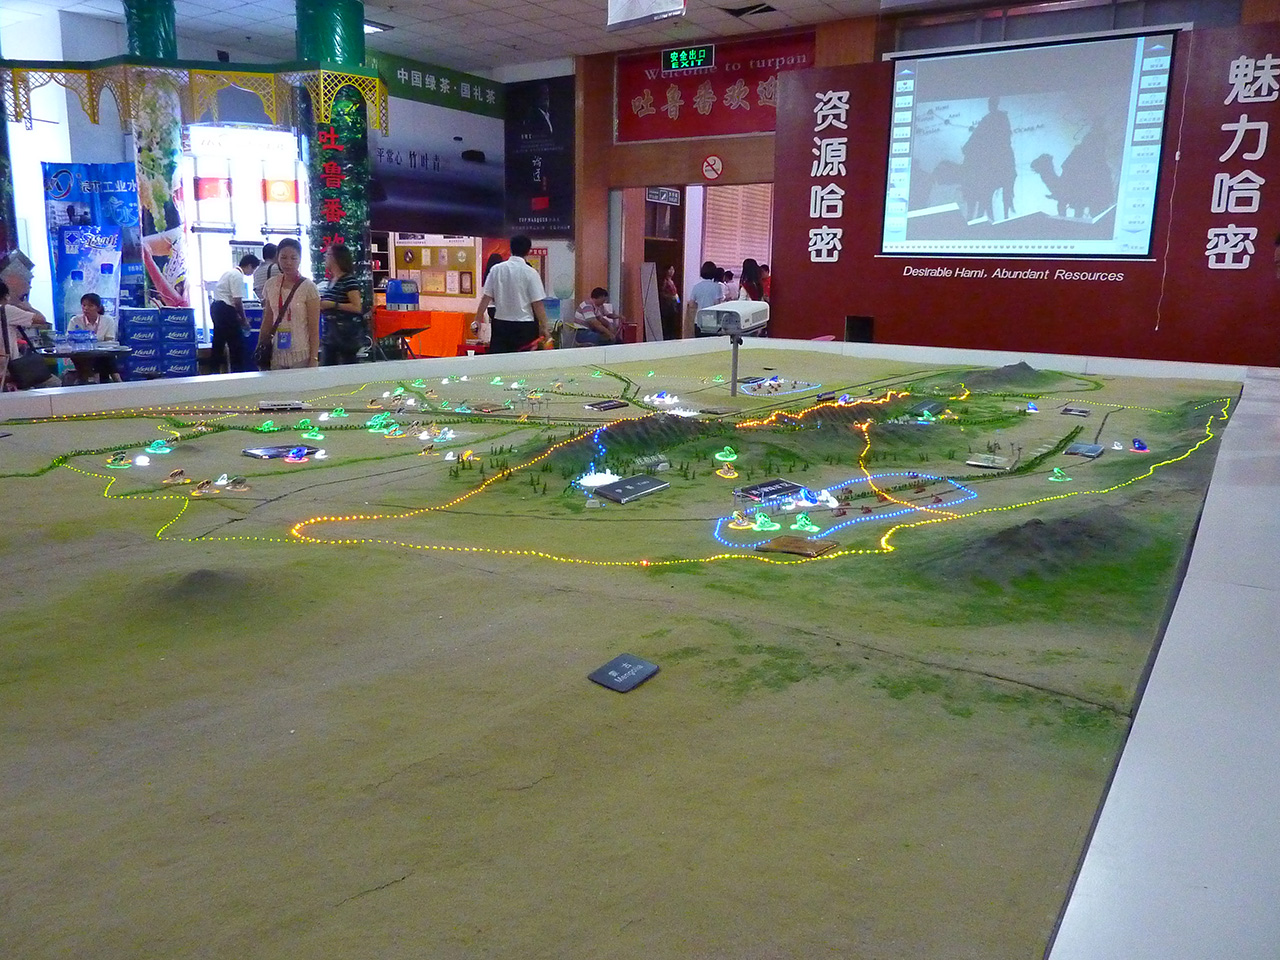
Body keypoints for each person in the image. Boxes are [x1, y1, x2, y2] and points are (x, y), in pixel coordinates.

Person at [472, 235, 548, 354]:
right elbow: (537, 304)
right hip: (525, 327)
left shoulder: (496, 270)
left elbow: (485, 298)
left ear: (511, 249)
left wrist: (477, 321)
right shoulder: (531, 272)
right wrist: (544, 327)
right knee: (523, 362)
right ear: (528, 251)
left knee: (500, 360)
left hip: (501, 325)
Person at [259, 238, 320, 370]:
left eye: (293, 258)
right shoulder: (271, 285)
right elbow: (267, 320)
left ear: (300, 259)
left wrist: (314, 358)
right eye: (283, 257)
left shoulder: (309, 287)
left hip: (302, 356)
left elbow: (314, 327)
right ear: (277, 258)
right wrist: (260, 347)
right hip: (276, 355)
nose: (288, 262)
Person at [0, 278, 58, 390]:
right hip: (9, 369)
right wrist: (25, 306)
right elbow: (41, 319)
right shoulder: (7, 310)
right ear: (6, 296)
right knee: (54, 383)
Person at [210, 253, 259, 374]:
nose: (252, 273)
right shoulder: (237, 276)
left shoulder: (228, 272)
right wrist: (244, 320)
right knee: (237, 345)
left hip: (216, 308)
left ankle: (213, 372)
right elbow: (237, 301)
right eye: (253, 269)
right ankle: (238, 374)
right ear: (249, 266)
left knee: (218, 343)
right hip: (226, 310)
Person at [318, 242, 365, 365]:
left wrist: (333, 305)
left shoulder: (349, 280)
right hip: (330, 336)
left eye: (328, 254)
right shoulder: (331, 281)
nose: (325, 258)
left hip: (344, 336)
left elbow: (357, 307)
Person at [66, 292, 121, 384]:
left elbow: (109, 341)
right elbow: (69, 338)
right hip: (81, 354)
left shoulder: (108, 320)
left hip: (102, 353)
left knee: (105, 357)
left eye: (90, 306)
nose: (86, 308)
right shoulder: (75, 320)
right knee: (85, 358)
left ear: (98, 308)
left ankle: (113, 380)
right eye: (84, 305)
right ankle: (114, 380)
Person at [659, 265, 680, 340]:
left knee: (673, 322)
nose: (672, 271)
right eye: (670, 269)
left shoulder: (672, 282)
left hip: (673, 304)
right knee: (668, 322)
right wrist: (670, 297)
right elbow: (662, 293)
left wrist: (678, 301)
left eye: (673, 269)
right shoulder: (665, 281)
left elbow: (675, 294)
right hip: (668, 305)